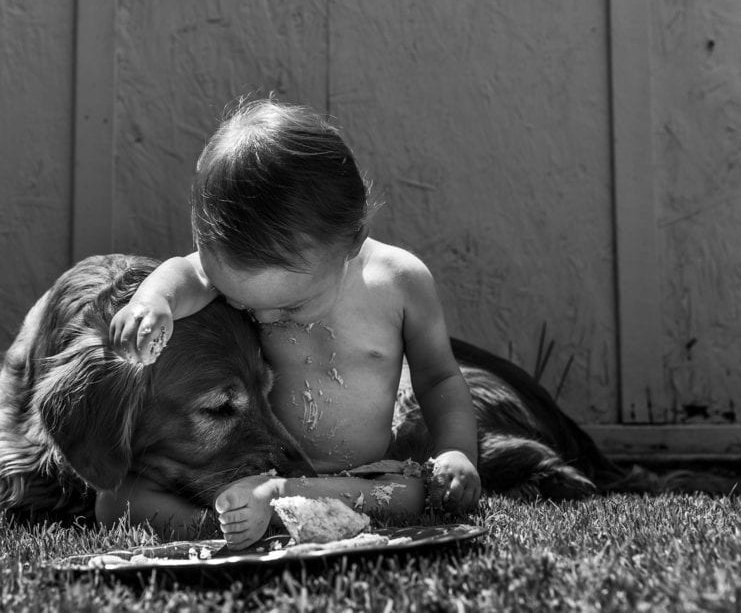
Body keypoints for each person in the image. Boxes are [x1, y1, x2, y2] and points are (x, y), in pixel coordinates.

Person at [103, 97, 480, 549]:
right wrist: (155, 300)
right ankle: (232, 515)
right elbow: (189, 273)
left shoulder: (400, 284)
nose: (262, 317)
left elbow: (440, 379)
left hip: (358, 480)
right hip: (257, 463)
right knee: (117, 501)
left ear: (352, 243)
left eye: (290, 309)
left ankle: (270, 503)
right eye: (242, 303)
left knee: (414, 494)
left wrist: (457, 452)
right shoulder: (246, 278)